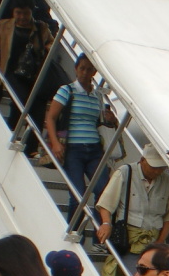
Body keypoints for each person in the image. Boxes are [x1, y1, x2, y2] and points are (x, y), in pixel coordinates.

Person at [94, 144, 169, 276]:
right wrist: (106, 223)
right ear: (142, 160)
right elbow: (105, 204)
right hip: (129, 240)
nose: (156, 171)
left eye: (160, 168)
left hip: (152, 240)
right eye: (153, 166)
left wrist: (161, 242)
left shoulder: (167, 182)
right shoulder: (125, 173)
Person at [44, 53, 117, 221]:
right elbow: (51, 117)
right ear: (76, 69)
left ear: (94, 72)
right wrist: (55, 144)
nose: (85, 73)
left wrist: (110, 119)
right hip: (73, 149)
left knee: (103, 192)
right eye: (82, 68)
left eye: (89, 70)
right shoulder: (67, 90)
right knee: (78, 195)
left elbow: (98, 122)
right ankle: (75, 233)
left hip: (94, 149)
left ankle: (101, 239)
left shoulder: (97, 95)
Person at [0, 0, 53, 155]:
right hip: (11, 73)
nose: (22, 17)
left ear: (31, 12)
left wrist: (47, 47)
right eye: (18, 13)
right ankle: (6, 133)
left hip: (33, 74)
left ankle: (31, 147)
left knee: (38, 109)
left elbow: (50, 42)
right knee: (22, 102)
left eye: (25, 13)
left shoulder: (41, 27)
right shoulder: (5, 25)